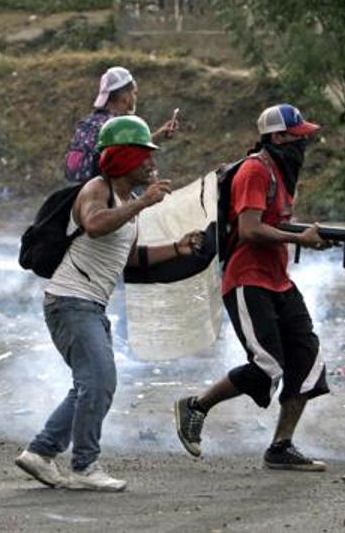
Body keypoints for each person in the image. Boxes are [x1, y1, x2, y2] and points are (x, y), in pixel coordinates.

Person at [16, 115, 205, 492]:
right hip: (70, 301)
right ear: (125, 158)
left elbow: (129, 257)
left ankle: (41, 452)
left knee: (89, 384)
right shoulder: (97, 189)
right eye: (145, 155)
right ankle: (84, 466)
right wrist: (144, 203)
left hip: (90, 306)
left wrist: (177, 248)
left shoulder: (128, 202)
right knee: (99, 381)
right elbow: (95, 224)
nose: (152, 163)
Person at [173, 104, 333, 470]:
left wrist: (311, 237)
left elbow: (275, 222)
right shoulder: (255, 170)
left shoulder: (281, 172)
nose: (303, 143)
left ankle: (281, 446)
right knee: (267, 365)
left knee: (306, 359)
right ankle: (196, 406)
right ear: (278, 137)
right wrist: (301, 240)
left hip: (277, 279)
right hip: (247, 279)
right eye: (298, 136)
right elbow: (249, 229)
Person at [63, 66, 180, 183]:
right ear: (125, 97)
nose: (135, 98)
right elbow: (129, 154)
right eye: (134, 93)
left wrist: (159, 134)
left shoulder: (88, 122)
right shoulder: (120, 125)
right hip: (107, 186)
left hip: (80, 186)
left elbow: (131, 148)